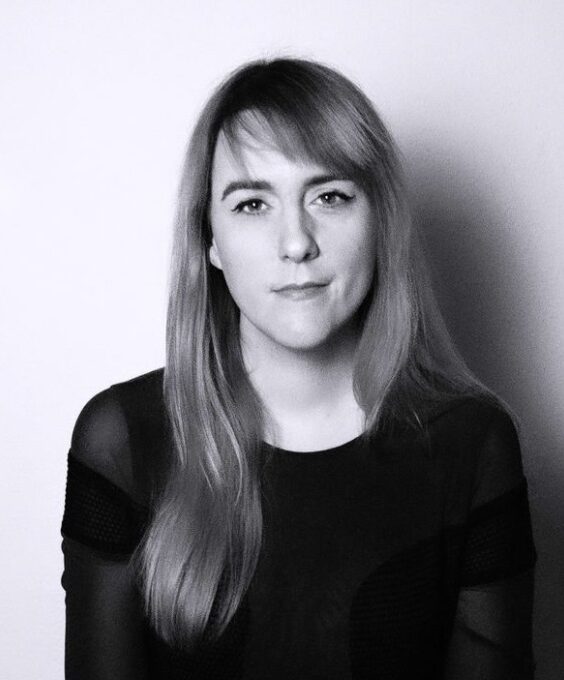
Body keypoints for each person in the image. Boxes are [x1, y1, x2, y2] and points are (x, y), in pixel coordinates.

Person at [61, 57, 537, 679]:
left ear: (381, 221)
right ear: (209, 240)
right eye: (252, 204)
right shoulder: (122, 439)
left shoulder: (473, 444)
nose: (296, 242)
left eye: (330, 197)